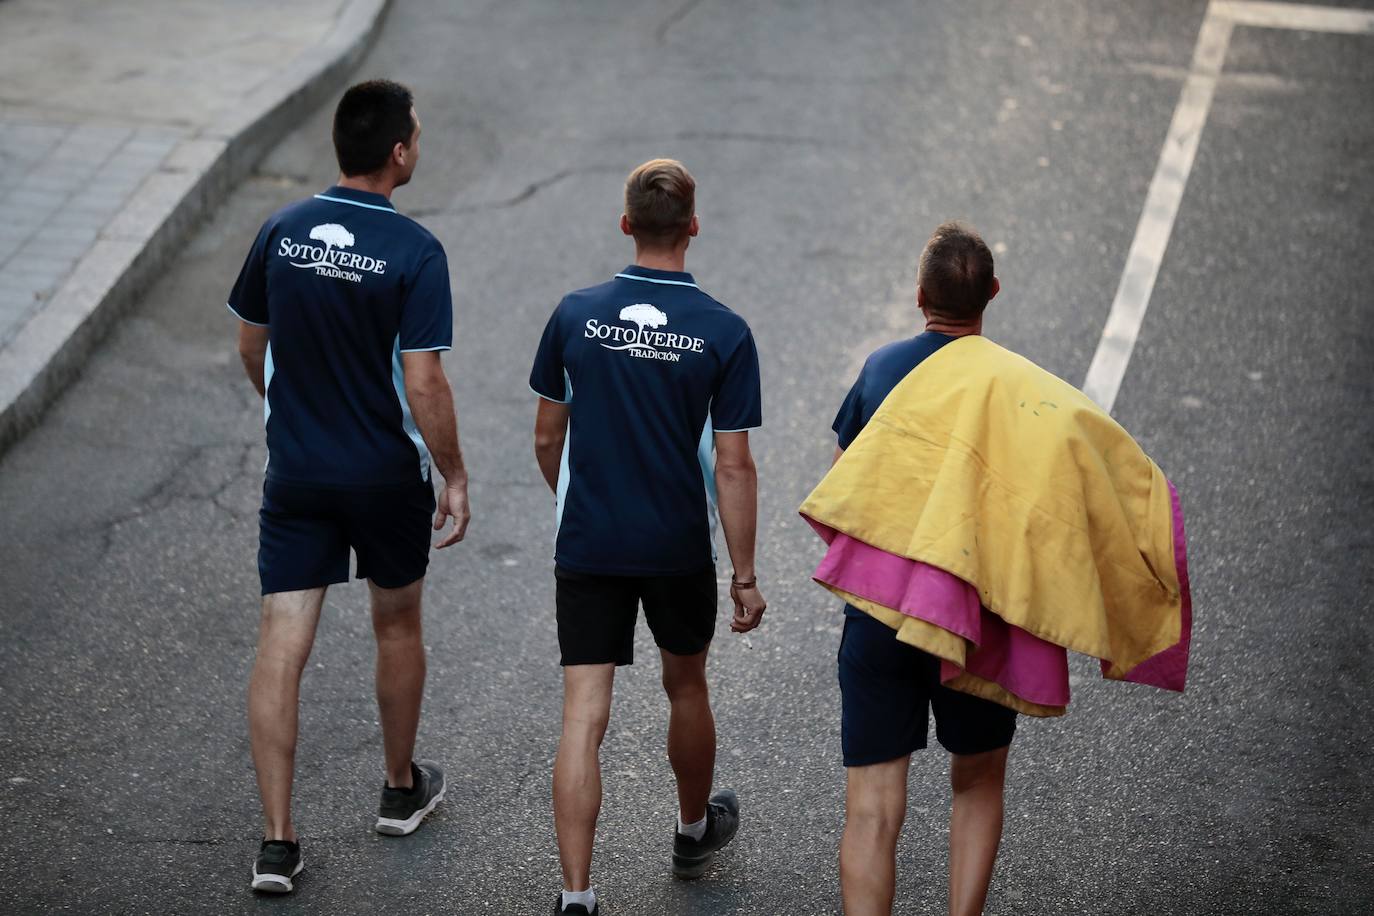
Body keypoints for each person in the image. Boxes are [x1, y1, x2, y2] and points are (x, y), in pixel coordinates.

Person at [226, 79, 470, 894]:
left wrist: (284, 410)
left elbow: (250, 341)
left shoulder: (284, 229)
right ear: (399, 151)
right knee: (396, 622)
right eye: (419, 134)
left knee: (281, 644)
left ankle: (276, 844)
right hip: (382, 475)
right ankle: (400, 789)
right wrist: (455, 471)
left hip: (298, 472)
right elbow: (424, 380)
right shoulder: (414, 252)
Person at [529, 158, 767, 916]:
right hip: (675, 547)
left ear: (626, 223)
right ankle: (693, 832)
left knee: (583, 715)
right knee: (686, 684)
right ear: (692, 227)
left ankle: (577, 897)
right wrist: (745, 573)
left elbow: (545, 437)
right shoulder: (724, 331)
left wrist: (580, 498)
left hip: (592, 540)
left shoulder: (574, 314)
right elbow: (733, 466)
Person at [831, 222, 1015, 916]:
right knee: (977, 783)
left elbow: (845, 489)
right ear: (991, 294)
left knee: (872, 809)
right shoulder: (1012, 385)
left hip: (883, 613)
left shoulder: (880, 371)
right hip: (975, 617)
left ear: (919, 297)